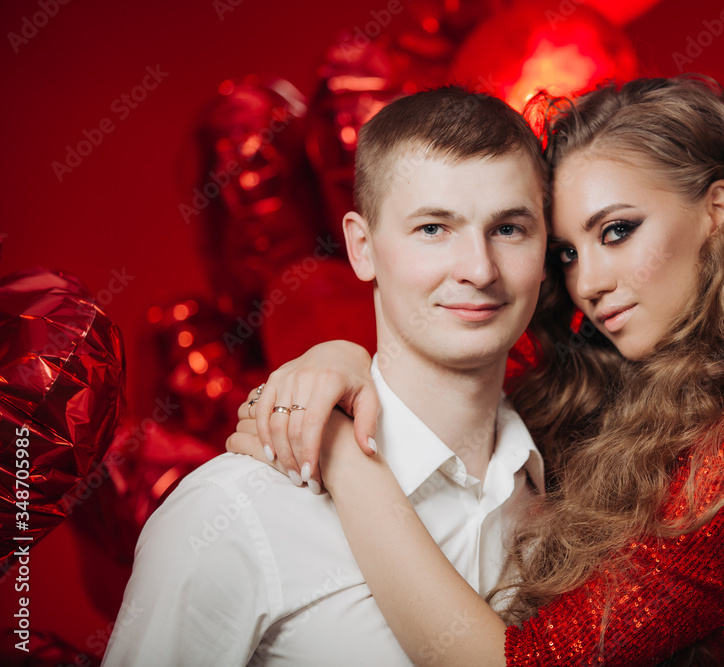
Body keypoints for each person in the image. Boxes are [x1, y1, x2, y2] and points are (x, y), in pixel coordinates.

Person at [228, 77, 724, 665]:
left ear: (717, 211)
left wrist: (346, 454)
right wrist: (340, 361)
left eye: (617, 231)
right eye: (565, 252)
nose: (589, 282)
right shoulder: (604, 403)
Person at [103, 86, 550, 665]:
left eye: (509, 228)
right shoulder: (234, 511)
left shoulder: (573, 482)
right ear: (361, 248)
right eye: (433, 229)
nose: (479, 269)